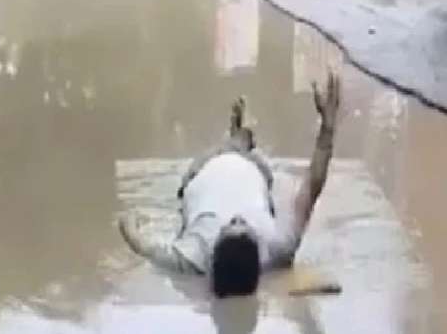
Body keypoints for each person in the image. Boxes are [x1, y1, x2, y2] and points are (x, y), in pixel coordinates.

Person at [118, 73, 341, 298]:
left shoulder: (191, 259)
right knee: (246, 147)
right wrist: (327, 130)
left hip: (202, 168)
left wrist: (130, 223)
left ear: (213, 254)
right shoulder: (277, 250)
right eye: (244, 226)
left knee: (233, 144)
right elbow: (312, 187)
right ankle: (240, 138)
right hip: (256, 167)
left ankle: (236, 137)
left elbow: (139, 243)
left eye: (230, 225)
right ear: (259, 255)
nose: (236, 217)